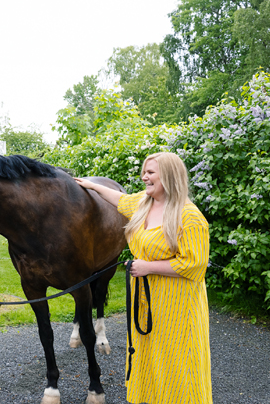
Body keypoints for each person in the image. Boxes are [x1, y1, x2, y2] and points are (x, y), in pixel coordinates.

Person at [75, 152, 212, 403]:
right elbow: (120, 199)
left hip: (177, 304)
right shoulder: (143, 202)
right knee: (150, 354)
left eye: (150, 172)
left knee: (178, 359)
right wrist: (91, 185)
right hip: (146, 299)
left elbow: (195, 265)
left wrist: (148, 267)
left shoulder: (190, 217)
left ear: (169, 176)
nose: (144, 177)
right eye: (144, 171)